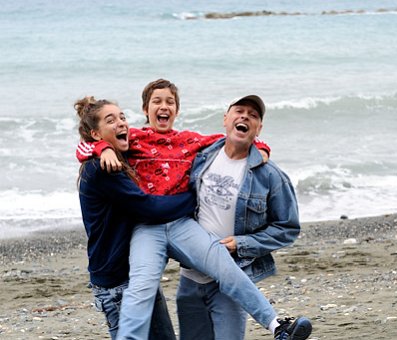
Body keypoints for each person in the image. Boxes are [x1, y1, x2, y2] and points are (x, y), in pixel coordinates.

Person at [76, 79, 312, 340]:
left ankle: (277, 325)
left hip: (181, 224)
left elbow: (234, 139)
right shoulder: (133, 138)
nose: (163, 106)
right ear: (145, 109)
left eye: (170, 102)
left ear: (176, 110)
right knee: (141, 287)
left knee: (225, 265)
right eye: (157, 101)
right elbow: (86, 142)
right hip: (147, 227)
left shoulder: (190, 141)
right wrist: (102, 147)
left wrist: (262, 148)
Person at [176, 95, 312, 340]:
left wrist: (242, 243)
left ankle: (278, 327)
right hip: (189, 280)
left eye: (254, 115)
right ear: (225, 119)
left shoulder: (271, 175)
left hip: (232, 282)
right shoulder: (200, 158)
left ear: (259, 128)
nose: (245, 117)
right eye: (239, 111)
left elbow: (287, 228)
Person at [75, 96, 197, 339]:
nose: (121, 123)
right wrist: (195, 199)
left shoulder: (117, 156)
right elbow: (149, 207)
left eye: (122, 117)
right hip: (117, 283)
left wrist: (104, 147)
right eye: (111, 120)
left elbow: (85, 145)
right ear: (96, 133)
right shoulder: (102, 169)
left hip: (137, 273)